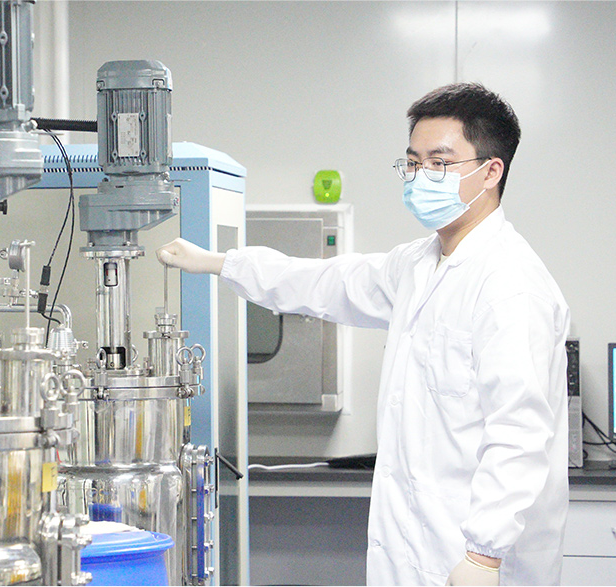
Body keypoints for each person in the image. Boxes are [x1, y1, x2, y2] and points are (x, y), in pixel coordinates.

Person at [157, 83, 569, 586]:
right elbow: (326, 282)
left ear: (491, 171)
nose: (420, 176)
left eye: (439, 163)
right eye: (413, 162)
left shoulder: (511, 287)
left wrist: (485, 553)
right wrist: (222, 263)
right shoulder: (418, 265)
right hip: (412, 553)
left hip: (477, 561)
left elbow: (519, 434)